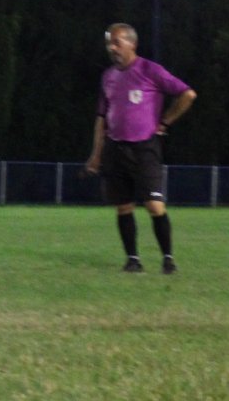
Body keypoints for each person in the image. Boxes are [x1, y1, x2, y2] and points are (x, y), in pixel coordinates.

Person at [84, 23, 196, 273]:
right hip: (115, 148)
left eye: (116, 42)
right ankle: (132, 260)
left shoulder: (149, 70)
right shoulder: (108, 76)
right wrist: (96, 154)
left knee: (154, 205)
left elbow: (187, 94)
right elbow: (101, 118)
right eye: (109, 43)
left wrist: (165, 122)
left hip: (144, 148)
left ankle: (168, 259)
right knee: (123, 206)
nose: (112, 48)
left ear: (132, 44)